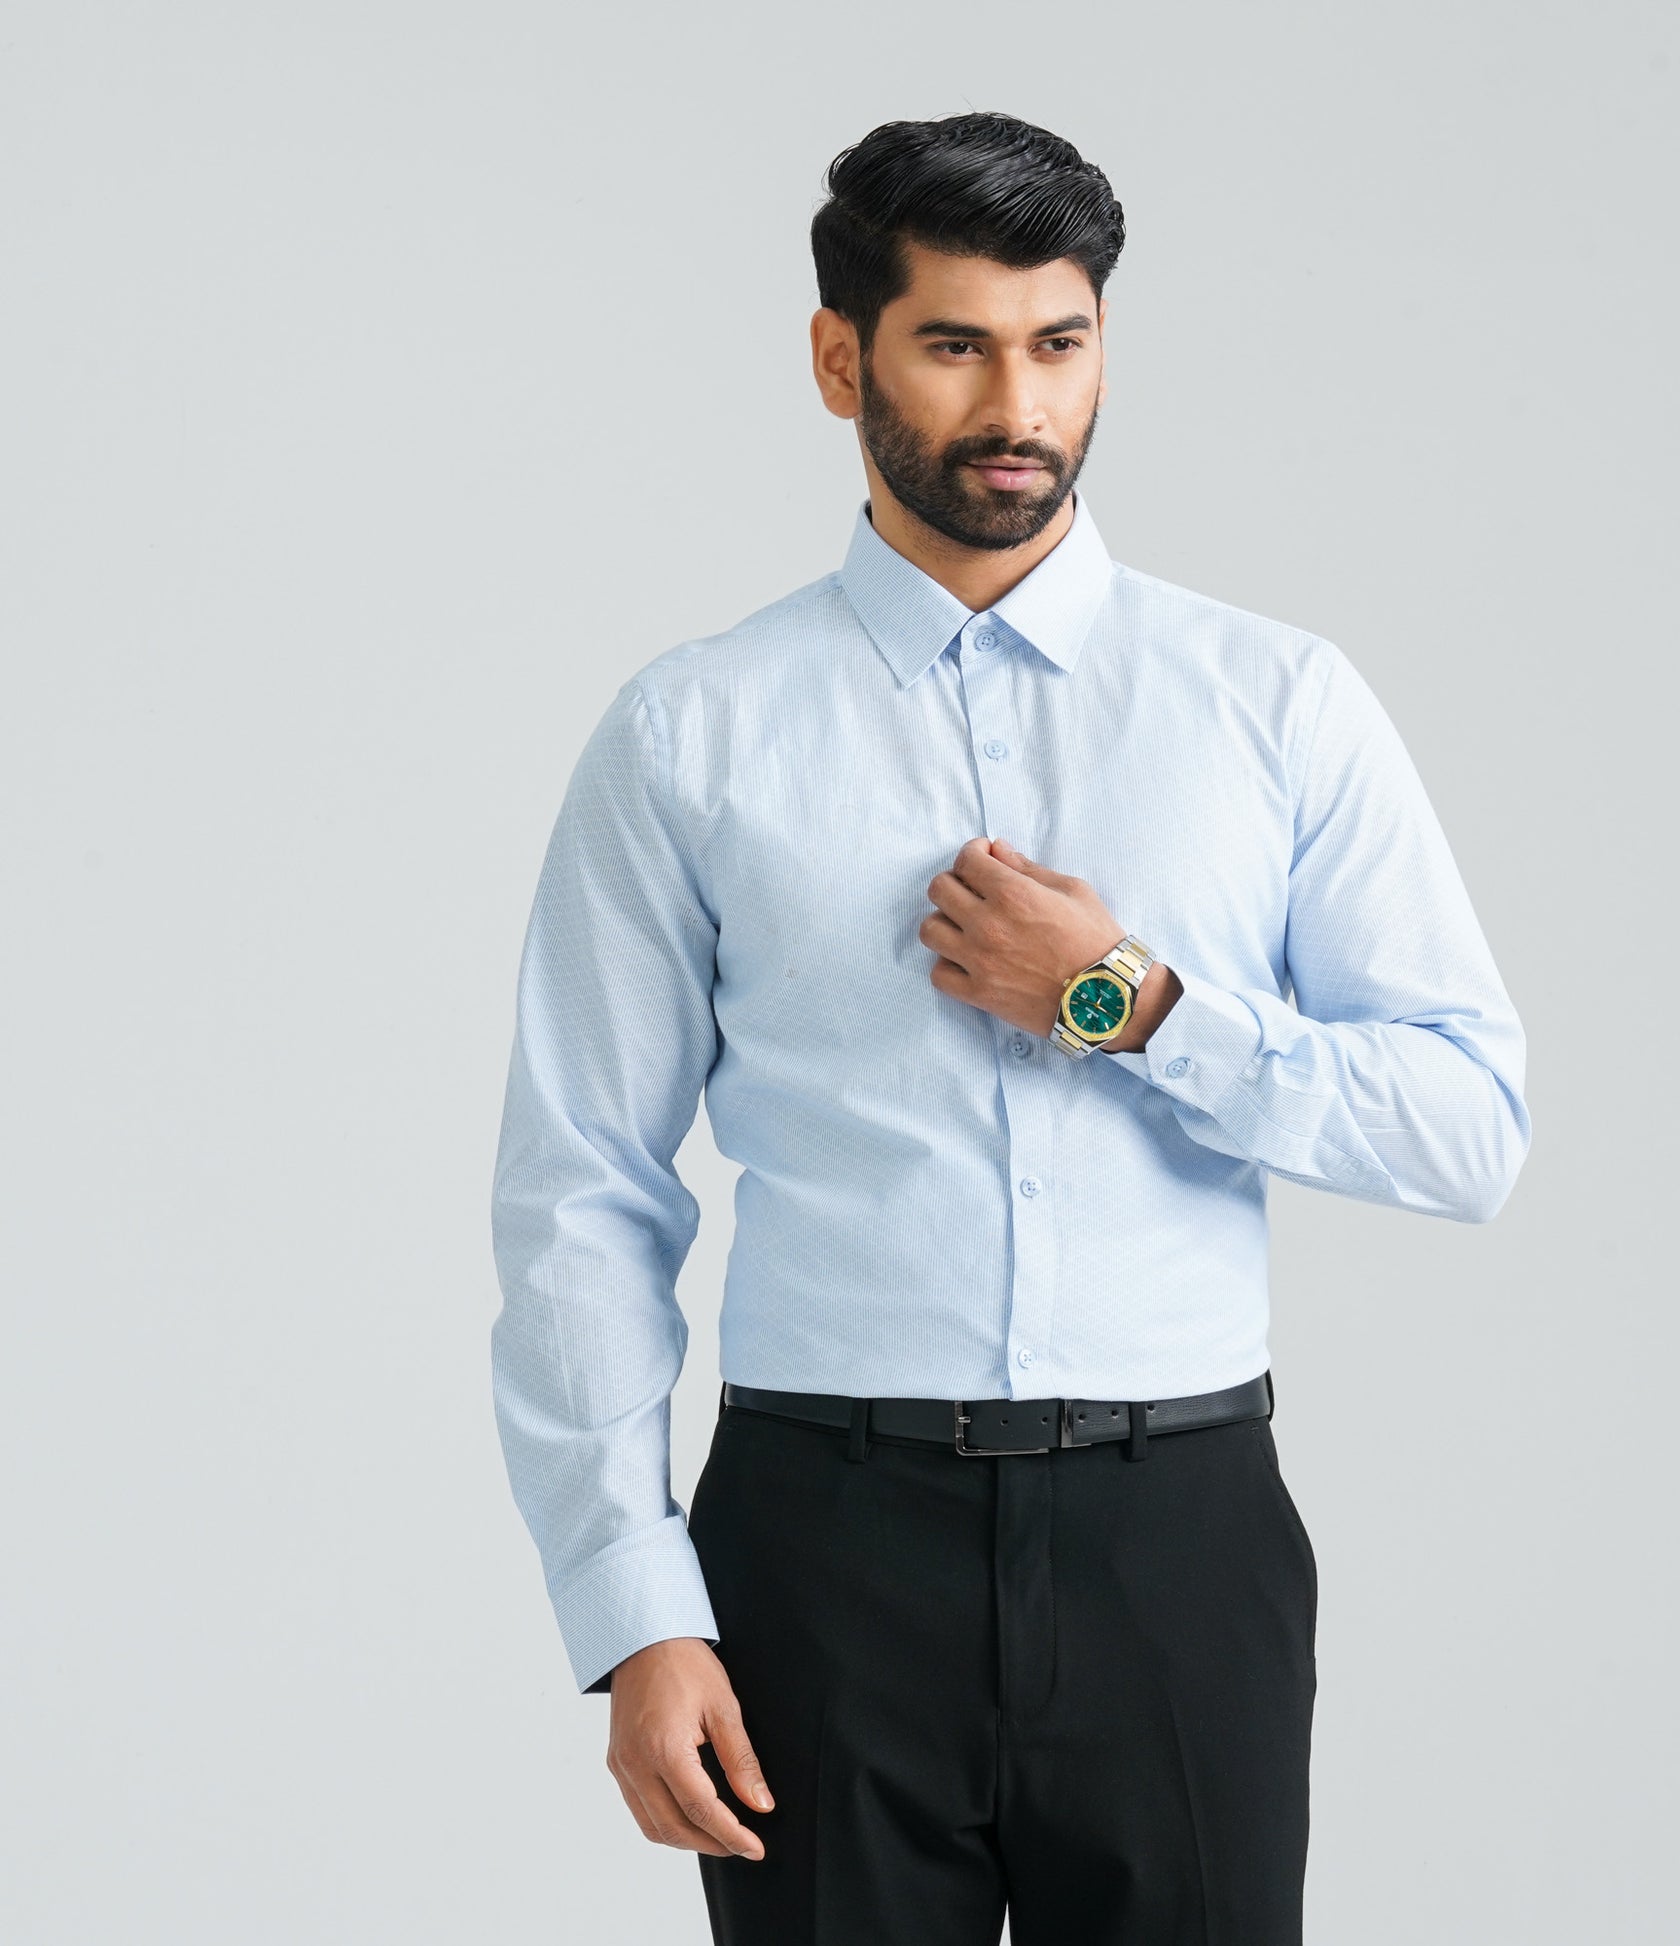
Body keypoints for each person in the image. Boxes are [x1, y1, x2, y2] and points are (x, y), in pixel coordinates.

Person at [489, 109, 1531, 1945]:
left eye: (1059, 344)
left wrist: (1128, 1002)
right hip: (819, 1552)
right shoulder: (692, 733)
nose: (1017, 407)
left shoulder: (1273, 702)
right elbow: (581, 1190)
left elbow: (1467, 1128)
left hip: (1178, 1542)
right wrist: (634, 1609)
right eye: (955, 345)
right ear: (841, 361)